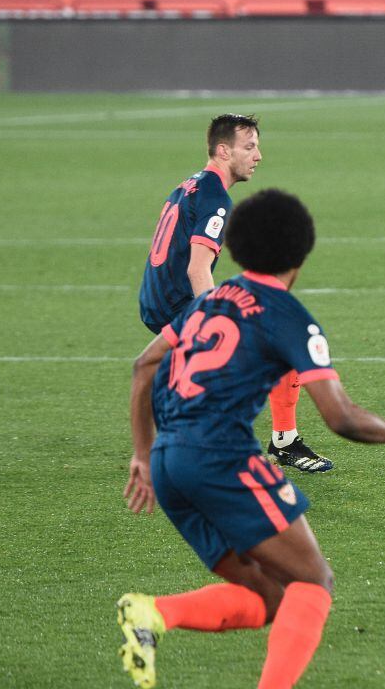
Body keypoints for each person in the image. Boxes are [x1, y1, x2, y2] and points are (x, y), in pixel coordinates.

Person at [119, 188, 385, 689]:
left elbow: (143, 365)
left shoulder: (208, 302)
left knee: (274, 599)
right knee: (315, 582)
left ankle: (152, 614)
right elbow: (340, 416)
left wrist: (141, 454)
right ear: (301, 253)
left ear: (236, 248)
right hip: (221, 459)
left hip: (169, 464)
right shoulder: (286, 314)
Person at [138, 114, 333, 473]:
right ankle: (261, 445)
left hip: (156, 299)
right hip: (177, 304)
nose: (257, 156)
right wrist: (208, 326)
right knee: (272, 345)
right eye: (250, 147)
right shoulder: (215, 198)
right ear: (224, 151)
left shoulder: (191, 184)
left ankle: (262, 441)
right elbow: (197, 269)